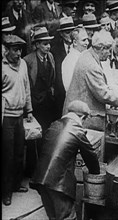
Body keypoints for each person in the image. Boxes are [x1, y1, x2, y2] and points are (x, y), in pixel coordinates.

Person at [30, 100, 100, 220]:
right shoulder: (77, 130)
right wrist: (96, 175)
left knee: (53, 216)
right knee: (67, 217)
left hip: (40, 179)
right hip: (58, 184)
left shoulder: (54, 124)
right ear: (82, 117)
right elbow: (91, 156)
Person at [63, 29, 118, 131]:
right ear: (101, 49)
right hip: (83, 118)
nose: (110, 54)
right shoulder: (91, 66)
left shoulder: (87, 54)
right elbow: (103, 94)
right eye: (109, 50)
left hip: (78, 114)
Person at [2, 35, 33, 206]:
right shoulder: (2, 67)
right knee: (7, 155)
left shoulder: (23, 65)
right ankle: (6, 192)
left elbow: (27, 87)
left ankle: (16, 184)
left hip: (20, 115)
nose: (19, 53)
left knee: (19, 153)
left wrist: (29, 109)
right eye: (15, 50)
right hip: (6, 117)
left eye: (20, 49)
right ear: (6, 50)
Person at [24, 26, 56, 134]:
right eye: (45, 44)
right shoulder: (28, 61)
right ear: (37, 45)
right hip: (35, 103)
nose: (48, 47)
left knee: (47, 130)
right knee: (35, 133)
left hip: (48, 101)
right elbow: (27, 85)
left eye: (49, 43)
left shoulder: (50, 57)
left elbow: (52, 78)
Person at [51, 16, 75, 119]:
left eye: (71, 32)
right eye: (66, 32)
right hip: (60, 93)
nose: (70, 35)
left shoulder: (78, 48)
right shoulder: (54, 50)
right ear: (61, 34)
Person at [62, 26, 89, 92]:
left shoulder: (85, 57)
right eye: (84, 40)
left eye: (87, 39)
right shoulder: (69, 61)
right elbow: (69, 87)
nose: (87, 43)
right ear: (75, 42)